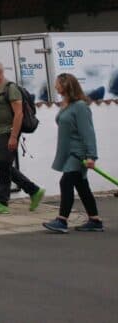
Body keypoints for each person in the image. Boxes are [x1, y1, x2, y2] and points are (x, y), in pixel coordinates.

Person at [0, 60, 45, 214]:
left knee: (3, 166)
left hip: (7, 132)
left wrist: (13, 136)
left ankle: (1, 203)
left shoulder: (10, 88)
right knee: (3, 166)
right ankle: (33, 190)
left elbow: (19, 114)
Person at [43, 73, 103, 233]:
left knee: (66, 182)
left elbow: (88, 132)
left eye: (57, 84)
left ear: (66, 85)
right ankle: (95, 220)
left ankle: (62, 221)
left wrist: (91, 156)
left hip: (78, 154)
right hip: (69, 152)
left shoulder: (81, 106)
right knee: (82, 186)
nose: (55, 86)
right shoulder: (67, 105)